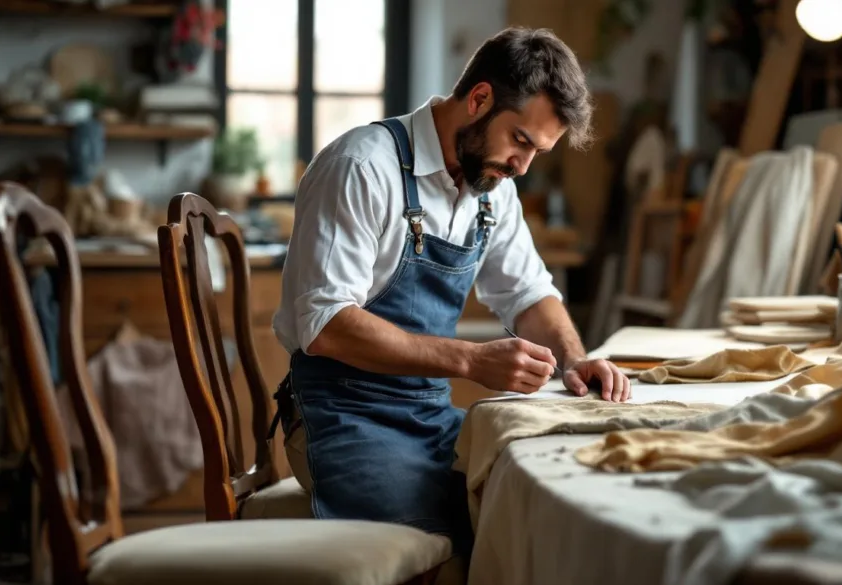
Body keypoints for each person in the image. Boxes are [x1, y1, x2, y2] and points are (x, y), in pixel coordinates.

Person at [270, 26, 631, 564]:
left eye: (538, 152)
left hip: (428, 417)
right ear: (479, 99)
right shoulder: (362, 167)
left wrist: (575, 361)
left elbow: (529, 293)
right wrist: (470, 359)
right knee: (448, 539)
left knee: (533, 495)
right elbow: (325, 326)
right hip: (340, 417)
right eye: (521, 141)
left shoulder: (491, 189)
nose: (522, 167)